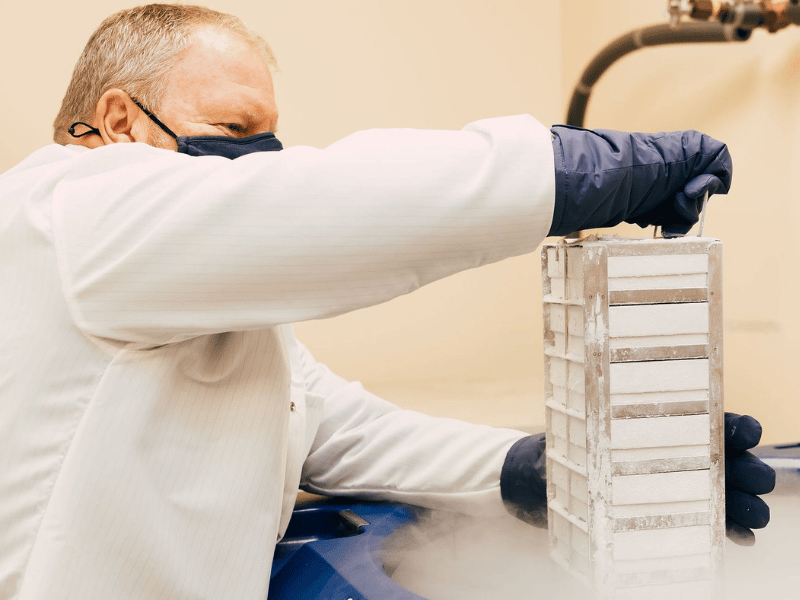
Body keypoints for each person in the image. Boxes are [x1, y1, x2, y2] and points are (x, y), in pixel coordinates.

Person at [0, 4, 774, 600]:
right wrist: (572, 172)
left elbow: (326, 424)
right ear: (117, 123)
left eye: (269, 138)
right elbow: (330, 201)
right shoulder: (67, 207)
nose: (259, 162)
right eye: (234, 131)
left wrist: (530, 467)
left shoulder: (188, 297)